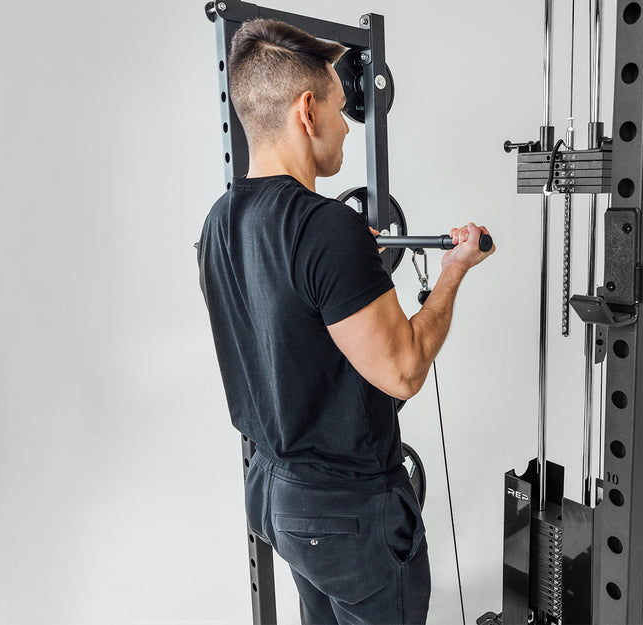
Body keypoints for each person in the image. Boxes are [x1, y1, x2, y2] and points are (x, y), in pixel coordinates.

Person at [197, 18, 494, 625]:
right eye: (339, 106)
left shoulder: (218, 224)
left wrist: (348, 269)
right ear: (307, 111)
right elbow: (405, 371)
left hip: (274, 496)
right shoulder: (326, 227)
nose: (343, 125)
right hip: (348, 514)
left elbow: (280, 326)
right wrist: (454, 273)